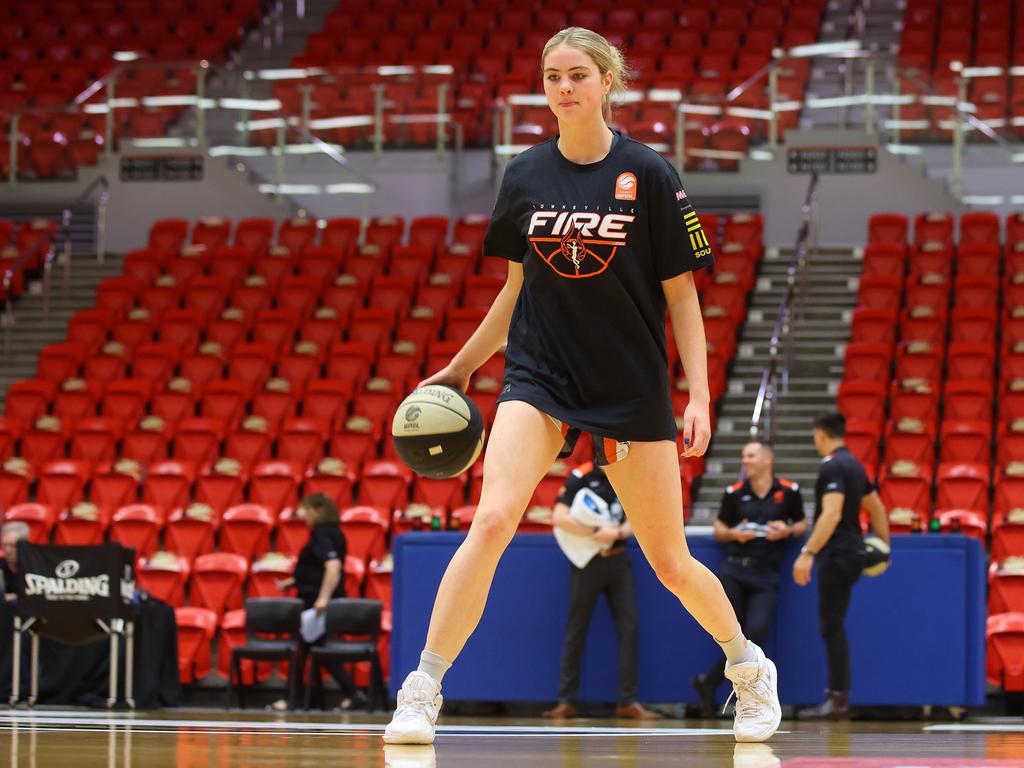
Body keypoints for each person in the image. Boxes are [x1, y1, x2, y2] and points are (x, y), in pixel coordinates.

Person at [384, 27, 781, 745]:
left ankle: (749, 668)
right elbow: (515, 290)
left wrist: (697, 395)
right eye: (552, 76)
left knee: (669, 562)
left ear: (606, 82)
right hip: (539, 374)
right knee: (494, 520)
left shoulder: (649, 173)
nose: (563, 87)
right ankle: (422, 688)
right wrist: (465, 366)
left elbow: (683, 297)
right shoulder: (526, 175)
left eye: (577, 75)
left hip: (628, 383)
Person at [691, 442, 806, 718]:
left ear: (768, 459)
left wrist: (786, 530)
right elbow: (719, 528)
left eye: (751, 455)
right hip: (734, 570)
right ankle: (732, 691)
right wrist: (734, 534)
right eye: (743, 455)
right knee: (728, 631)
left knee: (756, 631)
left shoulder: (788, 491)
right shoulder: (734, 493)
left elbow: (802, 524)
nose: (745, 460)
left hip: (766, 572)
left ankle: (710, 681)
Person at [793, 412, 890, 720]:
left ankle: (837, 700)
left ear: (820, 434)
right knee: (835, 625)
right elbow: (877, 508)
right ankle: (838, 698)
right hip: (853, 554)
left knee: (831, 627)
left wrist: (807, 552)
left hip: (836, 554)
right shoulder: (856, 465)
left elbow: (831, 514)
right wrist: (884, 549)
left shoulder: (833, 466)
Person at [545, 462, 660, 720]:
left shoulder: (630, 475)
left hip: (619, 560)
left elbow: (638, 517)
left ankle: (627, 701)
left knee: (629, 627)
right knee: (576, 628)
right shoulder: (581, 475)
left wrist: (618, 531)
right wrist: (596, 531)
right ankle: (567, 700)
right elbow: (559, 517)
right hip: (588, 561)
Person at [273, 493, 365, 711]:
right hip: (318, 602)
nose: (302, 514)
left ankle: (293, 699)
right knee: (316, 650)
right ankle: (342, 695)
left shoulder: (322, 534)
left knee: (308, 651)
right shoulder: (333, 533)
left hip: (317, 606)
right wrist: (293, 581)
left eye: (305, 509)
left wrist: (322, 599)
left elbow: (332, 567)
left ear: (316, 510)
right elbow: (316, 567)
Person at [0, 521, 29, 600]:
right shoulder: (1, 566)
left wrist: (16, 598)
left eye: (12, 545)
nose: (7, 550)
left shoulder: (35, 567)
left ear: (25, 545)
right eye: (4, 545)